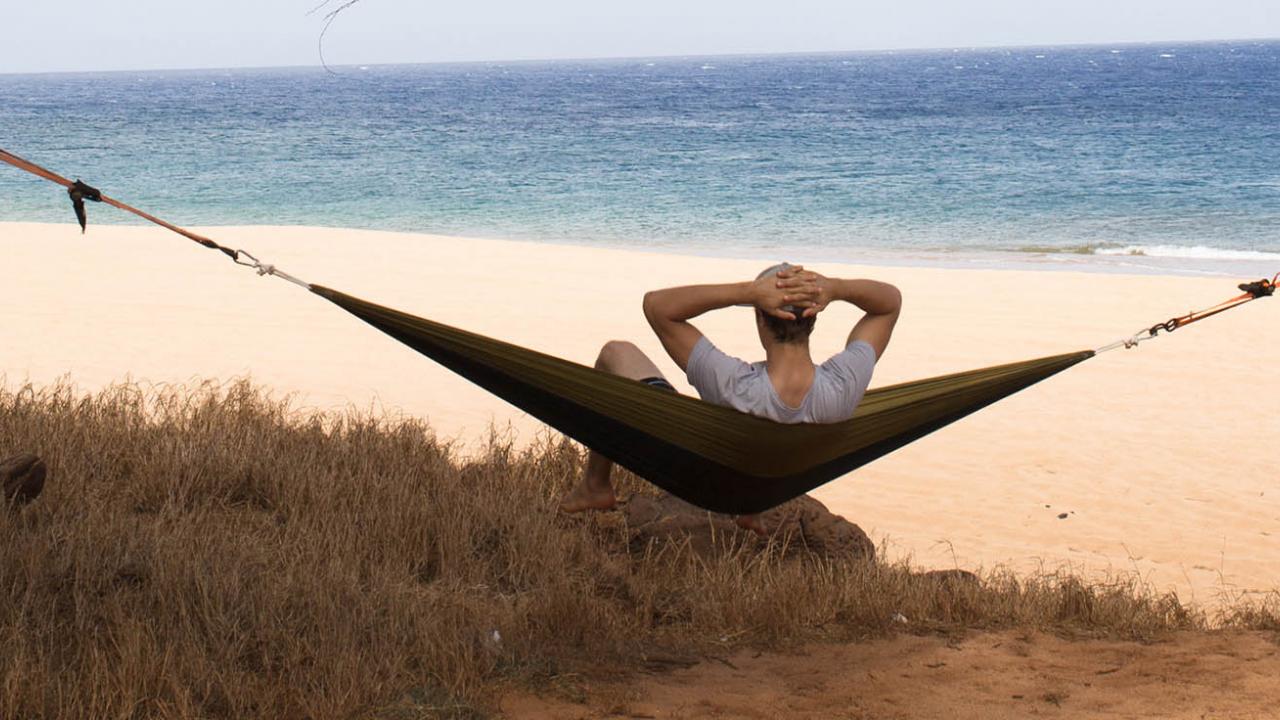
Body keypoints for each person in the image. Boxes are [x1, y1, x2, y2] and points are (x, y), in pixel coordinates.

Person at [558, 263, 902, 533]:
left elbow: (656, 306)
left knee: (615, 352)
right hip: (766, 483)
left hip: (701, 471)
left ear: (760, 320)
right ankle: (752, 506)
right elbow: (889, 304)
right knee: (760, 445)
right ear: (813, 318)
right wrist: (836, 288)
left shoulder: (732, 384)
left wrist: (747, 292)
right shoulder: (842, 385)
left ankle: (595, 484)